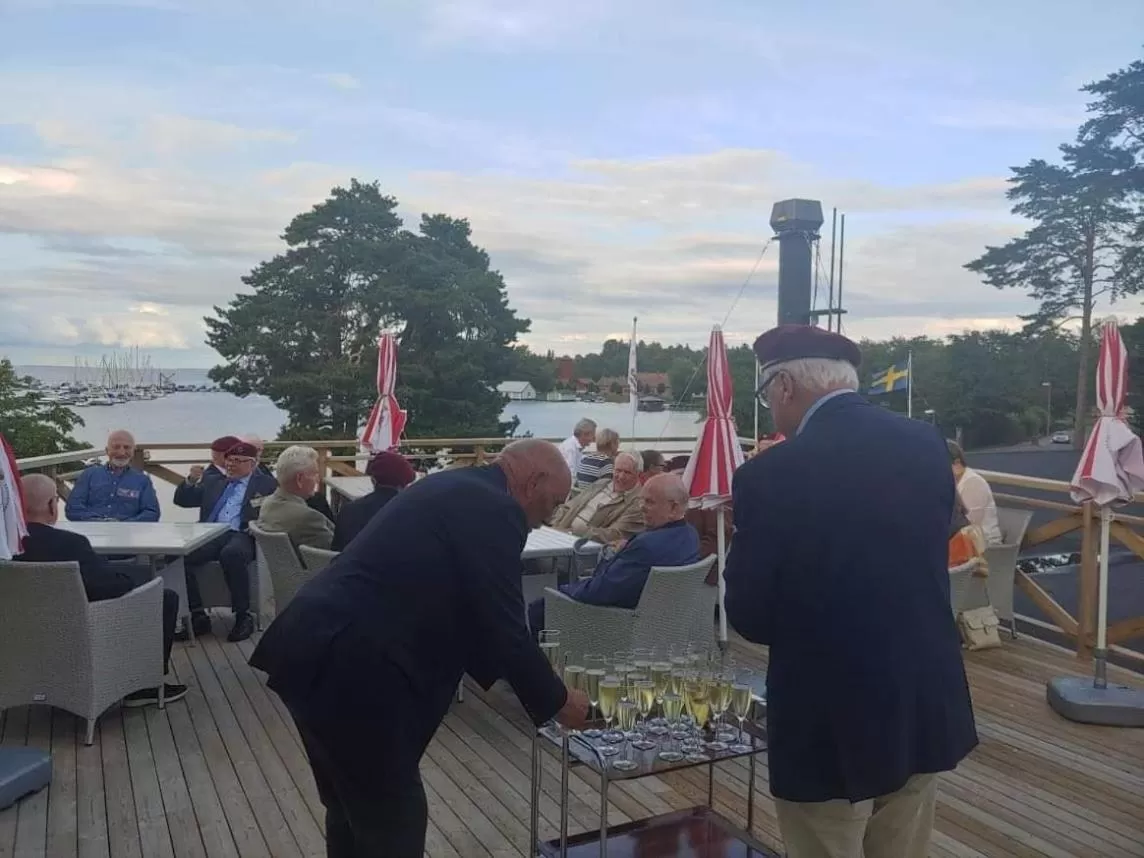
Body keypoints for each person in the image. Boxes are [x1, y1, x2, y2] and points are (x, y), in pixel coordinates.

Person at [248, 439, 589, 857]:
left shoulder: (454, 486)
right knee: (394, 825)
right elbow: (505, 627)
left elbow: (473, 610)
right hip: (353, 670)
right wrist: (557, 701)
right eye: (553, 503)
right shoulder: (496, 510)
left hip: (315, 650)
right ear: (533, 482)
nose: (546, 519)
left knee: (351, 811)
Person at [724, 324, 977, 858]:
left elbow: (748, 614)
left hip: (827, 708)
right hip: (921, 693)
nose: (770, 406)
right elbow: (942, 531)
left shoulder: (769, 477)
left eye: (767, 393)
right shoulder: (925, 444)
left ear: (786, 386)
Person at [14, 474, 186, 706]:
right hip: (78, 630)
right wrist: (126, 579)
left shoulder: (6, 545)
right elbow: (104, 587)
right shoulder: (71, 544)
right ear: (52, 506)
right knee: (163, 597)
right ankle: (143, 686)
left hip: (18, 630)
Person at [527, 473, 700, 635]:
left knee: (541, 607)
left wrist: (560, 590)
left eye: (650, 502)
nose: (642, 507)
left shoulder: (645, 546)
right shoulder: (690, 536)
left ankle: (546, 665)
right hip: (661, 625)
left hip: (618, 626)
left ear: (673, 507)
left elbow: (600, 591)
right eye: (641, 501)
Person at [181, 441, 277, 642]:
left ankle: (243, 616)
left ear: (252, 464)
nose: (231, 465)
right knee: (180, 556)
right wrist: (190, 481)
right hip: (211, 533)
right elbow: (184, 500)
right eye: (229, 460)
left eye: (238, 461)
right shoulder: (215, 481)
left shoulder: (266, 484)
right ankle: (198, 615)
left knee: (232, 555)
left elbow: (276, 513)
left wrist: (260, 526)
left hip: (242, 533)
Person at [664, 454, 732, 586]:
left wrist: (680, 559)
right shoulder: (670, 503)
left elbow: (716, 540)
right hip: (672, 569)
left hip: (695, 576)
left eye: (678, 477)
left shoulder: (709, 504)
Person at [550, 451, 644, 545]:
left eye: (627, 472)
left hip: (581, 547)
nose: (621, 476)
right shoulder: (601, 483)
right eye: (618, 470)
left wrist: (573, 532)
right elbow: (568, 507)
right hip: (559, 535)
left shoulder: (638, 502)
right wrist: (555, 526)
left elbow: (615, 534)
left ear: (639, 475)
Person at [65, 430, 160, 522]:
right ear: (107, 450)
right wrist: (98, 521)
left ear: (133, 451)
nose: (121, 452)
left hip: (128, 534)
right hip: (92, 531)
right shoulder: (89, 475)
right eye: (116, 447)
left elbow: (152, 513)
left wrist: (125, 525)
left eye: (127, 447)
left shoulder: (143, 480)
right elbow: (72, 509)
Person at [331, 451, 416, 551]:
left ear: (372, 480)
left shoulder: (348, 511)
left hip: (353, 565)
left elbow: (336, 551)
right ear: (406, 484)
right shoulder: (411, 514)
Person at [257, 446, 335, 551]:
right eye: (315, 474)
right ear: (299, 479)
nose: (317, 479)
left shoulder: (267, 504)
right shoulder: (309, 517)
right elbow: (340, 552)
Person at [948, 440, 1002, 545]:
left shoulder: (973, 482)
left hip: (984, 545)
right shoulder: (954, 481)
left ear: (957, 463)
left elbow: (968, 525)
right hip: (963, 542)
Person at [173, 435, 239, 509]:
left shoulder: (248, 474)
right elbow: (183, 501)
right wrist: (191, 481)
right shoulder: (208, 478)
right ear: (218, 455)